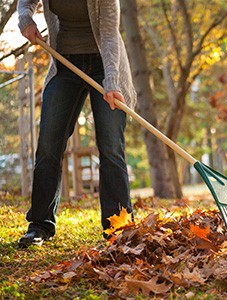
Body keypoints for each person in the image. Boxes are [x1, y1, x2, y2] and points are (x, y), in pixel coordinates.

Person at [17, 0, 137, 247]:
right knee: (49, 145)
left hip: (106, 65)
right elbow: (24, 3)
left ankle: (118, 227)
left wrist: (112, 81)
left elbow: (109, 34)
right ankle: (40, 224)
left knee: (111, 146)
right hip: (64, 65)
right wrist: (25, 19)